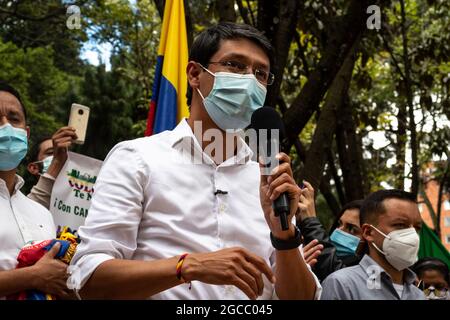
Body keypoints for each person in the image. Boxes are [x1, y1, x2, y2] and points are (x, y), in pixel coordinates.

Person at [70, 22, 321, 300]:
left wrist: (284, 236)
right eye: (235, 65)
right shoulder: (138, 159)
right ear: (194, 74)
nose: (250, 80)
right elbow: (89, 279)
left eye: (260, 74)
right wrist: (187, 266)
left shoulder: (268, 181)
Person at [0, 81, 69, 298]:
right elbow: (41, 276)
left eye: (14, 119)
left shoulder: (41, 213)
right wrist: (32, 277)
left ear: (26, 134)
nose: (6, 127)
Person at [321, 189, 425, 300]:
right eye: (400, 225)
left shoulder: (419, 295)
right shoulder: (342, 285)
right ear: (368, 232)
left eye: (417, 228)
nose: (413, 235)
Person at [298, 182, 363, 281]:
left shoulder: (370, 277)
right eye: (339, 224)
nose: (339, 231)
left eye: (352, 229)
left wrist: (310, 221)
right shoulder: (313, 260)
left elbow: (338, 276)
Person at [27, 127, 77, 209]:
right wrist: (57, 162)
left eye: (64, 153)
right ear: (34, 168)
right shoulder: (24, 206)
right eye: (50, 153)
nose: (62, 157)